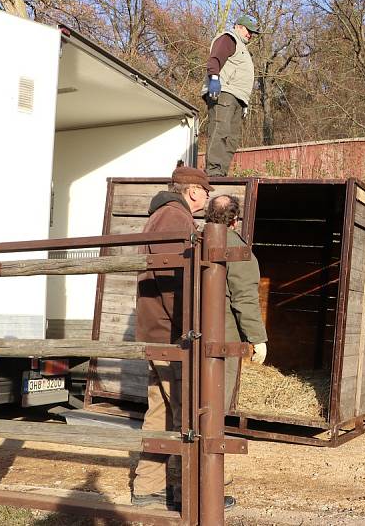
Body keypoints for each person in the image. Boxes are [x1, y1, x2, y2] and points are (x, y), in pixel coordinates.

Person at [132, 167, 234, 510]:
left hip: (160, 330)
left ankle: (149, 491)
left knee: (161, 410)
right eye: (205, 192)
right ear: (193, 191)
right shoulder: (175, 217)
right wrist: (193, 328)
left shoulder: (162, 215)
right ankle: (194, 495)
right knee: (186, 412)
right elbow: (175, 279)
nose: (206, 199)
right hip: (174, 334)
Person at [204, 194, 268, 411]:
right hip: (223, 333)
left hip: (187, 329)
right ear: (235, 220)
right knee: (217, 394)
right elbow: (244, 298)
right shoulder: (236, 248)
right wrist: (257, 339)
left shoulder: (193, 240)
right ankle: (208, 441)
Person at [202, 15, 258, 177]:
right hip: (224, 92)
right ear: (239, 27)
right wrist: (214, 78)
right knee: (220, 130)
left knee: (232, 138)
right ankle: (213, 172)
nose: (251, 34)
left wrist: (244, 103)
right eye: (249, 30)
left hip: (238, 98)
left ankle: (221, 172)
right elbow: (215, 59)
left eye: (253, 32)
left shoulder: (242, 48)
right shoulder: (228, 39)